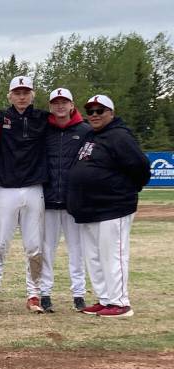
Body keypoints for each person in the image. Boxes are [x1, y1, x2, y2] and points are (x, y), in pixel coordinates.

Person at [68, 95, 149, 318]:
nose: (94, 115)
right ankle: (105, 299)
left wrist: (122, 190)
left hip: (113, 207)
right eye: (90, 111)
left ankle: (120, 302)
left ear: (111, 113)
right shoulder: (92, 136)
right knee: (94, 256)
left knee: (113, 254)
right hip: (90, 209)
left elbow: (141, 168)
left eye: (100, 111)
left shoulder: (119, 136)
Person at [0, 76, 50, 313]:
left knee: (34, 246)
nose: (22, 96)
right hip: (6, 189)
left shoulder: (44, 118)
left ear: (32, 94)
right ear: (9, 95)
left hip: (34, 188)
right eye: (17, 92)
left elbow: (69, 122)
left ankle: (34, 294)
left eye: (26, 92)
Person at [41, 87, 90, 312]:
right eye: (56, 102)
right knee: (46, 249)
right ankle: (45, 293)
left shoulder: (86, 131)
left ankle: (79, 294)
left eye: (64, 102)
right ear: (50, 106)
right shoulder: (44, 130)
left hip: (73, 202)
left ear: (72, 105)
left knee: (77, 250)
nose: (60, 106)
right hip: (48, 201)